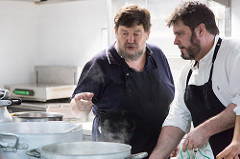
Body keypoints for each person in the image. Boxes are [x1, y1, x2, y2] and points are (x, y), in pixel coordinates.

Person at [70, 4, 175, 158]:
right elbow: (77, 109)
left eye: (137, 34)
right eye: (124, 33)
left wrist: (171, 141)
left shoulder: (158, 56)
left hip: (157, 154)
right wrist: (79, 106)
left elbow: (170, 102)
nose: (130, 40)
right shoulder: (100, 64)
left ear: (147, 33)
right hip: (113, 154)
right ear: (115, 32)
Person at [149, 1, 240, 159]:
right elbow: (178, 118)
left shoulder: (233, 54)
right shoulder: (187, 73)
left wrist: (205, 129)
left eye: (180, 33)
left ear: (200, 30)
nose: (175, 41)